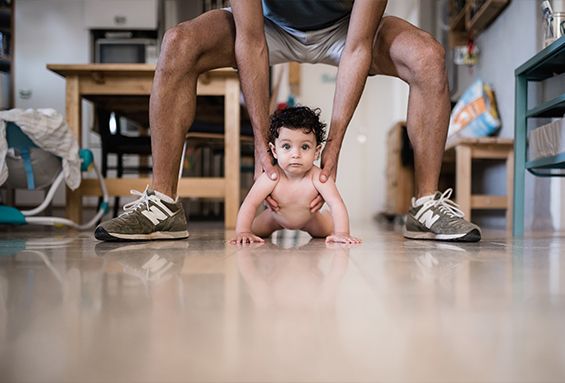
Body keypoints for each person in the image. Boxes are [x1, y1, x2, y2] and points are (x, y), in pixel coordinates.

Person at [94, 0, 481, 243]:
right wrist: (262, 143)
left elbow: (359, 45)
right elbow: (250, 39)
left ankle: (426, 204)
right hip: (265, 26)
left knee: (428, 56)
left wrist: (334, 144)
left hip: (346, 29)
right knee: (178, 43)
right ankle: (163, 203)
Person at [230, 106, 360, 244]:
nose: (296, 154)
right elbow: (250, 203)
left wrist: (342, 233)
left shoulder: (318, 177)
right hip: (273, 218)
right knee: (252, 230)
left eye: (304, 147)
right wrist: (243, 231)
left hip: (311, 220)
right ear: (274, 150)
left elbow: (336, 203)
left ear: (316, 152)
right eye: (287, 146)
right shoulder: (271, 177)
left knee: (330, 229)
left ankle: (327, 218)